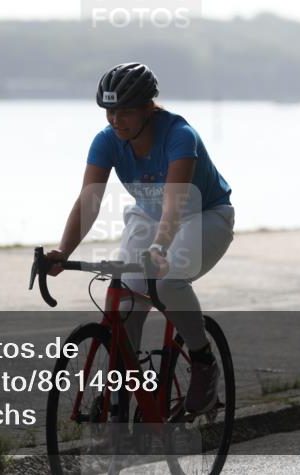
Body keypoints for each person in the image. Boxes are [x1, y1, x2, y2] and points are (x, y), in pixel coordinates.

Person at [44, 62, 234, 414]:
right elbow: (89, 201)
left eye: (125, 112)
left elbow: (176, 206)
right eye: (110, 112)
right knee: (126, 296)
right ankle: (122, 393)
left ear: (149, 107)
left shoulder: (180, 136)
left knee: (167, 280)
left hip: (205, 215)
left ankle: (203, 361)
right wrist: (63, 251)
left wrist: (160, 250)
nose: (116, 120)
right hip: (148, 215)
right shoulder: (107, 142)